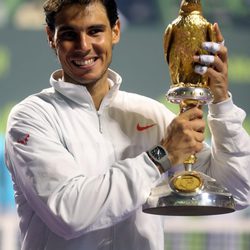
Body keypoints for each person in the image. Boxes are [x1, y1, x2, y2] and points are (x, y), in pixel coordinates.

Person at [4, 0, 250, 249]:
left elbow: (236, 194)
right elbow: (69, 214)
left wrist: (221, 103)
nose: (84, 46)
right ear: (51, 37)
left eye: (95, 31)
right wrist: (160, 156)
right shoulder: (31, 117)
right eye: (69, 34)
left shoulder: (149, 114)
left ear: (116, 31)